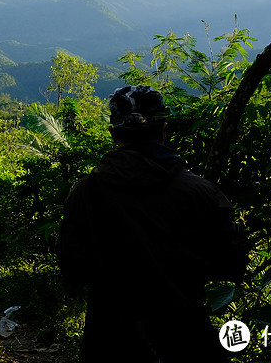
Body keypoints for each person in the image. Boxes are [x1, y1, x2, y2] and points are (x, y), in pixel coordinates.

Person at [59, 85, 246, 363]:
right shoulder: (201, 192)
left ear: (113, 135)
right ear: (163, 130)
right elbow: (231, 264)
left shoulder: (87, 193)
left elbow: (72, 270)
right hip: (185, 338)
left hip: (109, 340)